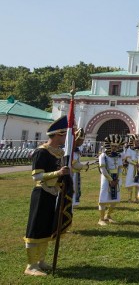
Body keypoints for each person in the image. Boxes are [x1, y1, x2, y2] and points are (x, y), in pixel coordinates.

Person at [23, 116, 71, 276]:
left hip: (53, 194)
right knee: (35, 227)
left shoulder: (59, 153)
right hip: (41, 193)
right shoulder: (41, 152)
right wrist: (58, 173)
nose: (66, 138)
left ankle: (40, 261)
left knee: (46, 227)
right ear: (58, 134)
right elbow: (36, 177)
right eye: (64, 135)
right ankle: (31, 265)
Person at [97, 134, 124, 225]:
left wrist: (118, 179)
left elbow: (120, 168)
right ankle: (101, 219)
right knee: (103, 196)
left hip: (116, 177)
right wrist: (110, 180)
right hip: (106, 178)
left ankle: (108, 215)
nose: (114, 148)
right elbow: (103, 169)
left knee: (115, 197)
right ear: (108, 145)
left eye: (116, 146)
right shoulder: (103, 156)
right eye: (112, 146)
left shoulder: (119, 156)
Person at [123, 135, 139, 202]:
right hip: (132, 167)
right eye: (136, 141)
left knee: (138, 182)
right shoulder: (129, 149)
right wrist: (134, 163)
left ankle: (137, 198)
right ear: (133, 141)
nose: (137, 142)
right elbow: (128, 159)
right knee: (130, 181)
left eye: (138, 141)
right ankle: (129, 198)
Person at [71, 128, 87, 207]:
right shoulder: (70, 150)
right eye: (80, 140)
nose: (81, 142)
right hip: (71, 173)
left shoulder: (76, 150)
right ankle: (71, 202)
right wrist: (84, 167)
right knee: (72, 188)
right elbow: (74, 164)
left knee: (76, 187)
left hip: (76, 173)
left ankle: (74, 202)